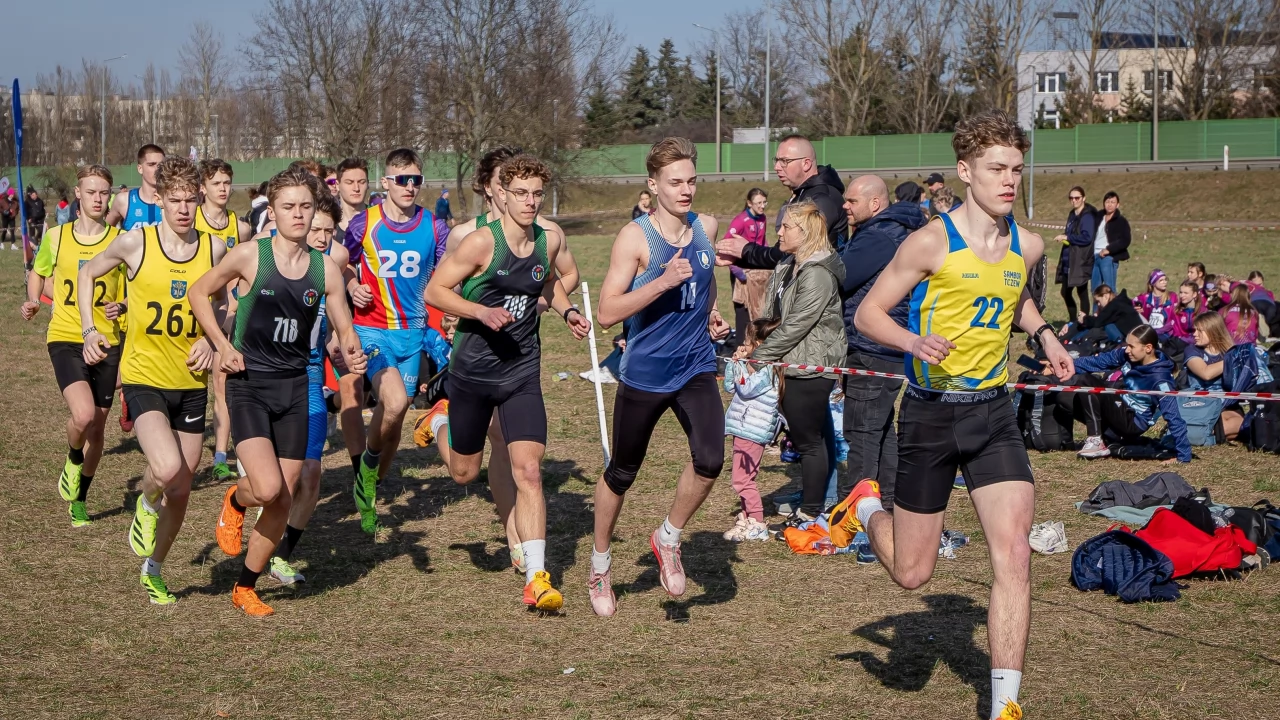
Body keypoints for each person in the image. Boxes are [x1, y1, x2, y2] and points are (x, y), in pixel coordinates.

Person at [839, 110, 1075, 720]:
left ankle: (1005, 704)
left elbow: (1014, 294)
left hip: (994, 413)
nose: (1009, 181)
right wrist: (911, 342)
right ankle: (866, 506)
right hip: (931, 415)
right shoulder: (929, 242)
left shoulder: (1028, 243)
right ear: (966, 171)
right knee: (913, 576)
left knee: (1015, 553)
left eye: (1017, 170)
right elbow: (868, 315)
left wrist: (1045, 334)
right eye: (997, 169)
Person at [191, 168, 366, 617]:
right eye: (288, 207)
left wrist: (352, 350)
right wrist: (222, 344)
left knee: (284, 495)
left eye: (305, 206)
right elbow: (198, 293)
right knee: (267, 488)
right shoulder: (250, 256)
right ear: (273, 211)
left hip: (295, 386)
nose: (298, 215)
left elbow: (344, 324)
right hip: (250, 384)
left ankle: (245, 586)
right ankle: (234, 499)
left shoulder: (325, 267)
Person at [425, 154, 589, 612]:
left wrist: (568, 311)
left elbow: (547, 284)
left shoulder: (548, 239)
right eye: (521, 193)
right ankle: (440, 422)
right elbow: (435, 291)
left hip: (520, 372)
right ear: (501, 194)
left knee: (529, 471)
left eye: (537, 193)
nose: (530, 202)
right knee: (465, 473)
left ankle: (537, 578)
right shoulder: (480, 244)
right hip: (472, 375)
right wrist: (479, 312)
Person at [78, 157, 229, 606]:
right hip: (143, 377)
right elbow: (88, 273)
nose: (184, 209)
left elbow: (224, 303)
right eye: (175, 200)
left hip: (190, 381)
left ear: (200, 199)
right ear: (159, 199)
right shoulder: (135, 243)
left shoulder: (214, 249)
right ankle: (144, 504)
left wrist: (212, 338)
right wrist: (89, 329)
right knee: (165, 471)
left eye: (191, 200)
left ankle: (155, 568)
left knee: (182, 488)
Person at [592, 137, 731, 617]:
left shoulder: (706, 227)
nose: (686, 190)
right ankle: (600, 563)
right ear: (653, 185)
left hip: (696, 364)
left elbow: (706, 282)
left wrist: (712, 313)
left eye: (692, 180)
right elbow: (608, 312)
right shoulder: (635, 237)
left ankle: (667, 538)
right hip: (647, 372)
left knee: (711, 459)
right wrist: (661, 282)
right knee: (622, 473)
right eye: (676, 182)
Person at [343, 148, 448, 534]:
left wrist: (449, 313)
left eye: (415, 180)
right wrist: (352, 284)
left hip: (413, 334)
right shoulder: (363, 224)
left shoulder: (434, 227)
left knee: (395, 420)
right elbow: (342, 261)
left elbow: (444, 273)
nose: (409, 187)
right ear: (384, 182)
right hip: (372, 331)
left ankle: (371, 484)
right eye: (401, 179)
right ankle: (367, 469)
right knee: (396, 400)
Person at [20, 164, 124, 527]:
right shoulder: (57, 237)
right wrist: (34, 299)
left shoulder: (120, 240)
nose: (98, 199)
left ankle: (80, 498)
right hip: (66, 334)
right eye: (92, 192)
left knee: (98, 428)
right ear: (78, 194)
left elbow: (134, 288)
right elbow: (38, 271)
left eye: (104, 193)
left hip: (108, 338)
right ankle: (73, 457)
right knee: (82, 416)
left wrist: (122, 305)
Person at [258, 189, 351, 585]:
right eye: (316, 228)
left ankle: (281, 554)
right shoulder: (266, 255)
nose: (321, 237)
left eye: (329, 231)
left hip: (310, 374)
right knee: (271, 482)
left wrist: (343, 352)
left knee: (309, 474)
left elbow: (331, 325)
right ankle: (243, 508)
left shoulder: (331, 269)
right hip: (264, 374)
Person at [753, 200, 846, 527]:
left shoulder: (818, 274)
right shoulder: (788, 266)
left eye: (786, 227)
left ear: (805, 233)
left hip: (811, 364)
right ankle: (815, 505)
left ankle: (810, 511)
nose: (778, 231)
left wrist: (759, 357)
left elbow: (797, 325)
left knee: (808, 441)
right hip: (792, 361)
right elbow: (771, 313)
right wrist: (757, 340)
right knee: (814, 438)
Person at [836, 174, 927, 509]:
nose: (845, 206)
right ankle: (889, 503)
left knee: (860, 433)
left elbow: (841, 276)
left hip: (873, 347)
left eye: (852, 201)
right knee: (882, 430)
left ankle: (855, 514)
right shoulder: (890, 231)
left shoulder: (879, 236)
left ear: (875, 203)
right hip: (886, 347)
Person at [195, 159, 254, 482]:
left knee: (221, 381)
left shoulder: (240, 227)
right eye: (216, 183)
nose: (223, 189)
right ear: (202, 187)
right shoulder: (191, 220)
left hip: (225, 312)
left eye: (227, 182)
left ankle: (220, 454)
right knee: (189, 382)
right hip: (190, 311)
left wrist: (233, 311)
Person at [715, 134, 848, 270]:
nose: (777, 167)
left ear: (806, 164)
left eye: (785, 161)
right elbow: (784, 258)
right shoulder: (804, 193)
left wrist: (746, 250)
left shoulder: (821, 199)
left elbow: (784, 253)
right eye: (776, 160)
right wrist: (737, 257)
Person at [1069, 325, 1191, 462]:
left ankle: (1096, 441)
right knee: (1067, 396)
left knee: (1086, 381)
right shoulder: (1128, 355)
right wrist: (1067, 365)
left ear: (1148, 348)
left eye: (1131, 346)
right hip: (1120, 408)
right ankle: (1084, 438)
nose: (1127, 350)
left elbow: (1174, 417)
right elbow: (1099, 361)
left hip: (1133, 422)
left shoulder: (1160, 380)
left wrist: (1183, 456)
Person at [722, 318, 783, 542]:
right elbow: (730, 386)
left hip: (752, 431)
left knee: (742, 480)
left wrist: (741, 364)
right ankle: (747, 517)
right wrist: (734, 363)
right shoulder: (752, 366)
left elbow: (746, 389)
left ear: (760, 344)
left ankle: (757, 522)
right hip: (743, 428)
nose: (744, 344)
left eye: (748, 340)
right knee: (745, 477)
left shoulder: (768, 369)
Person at [333, 157, 371, 472]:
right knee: (352, 388)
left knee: (374, 394)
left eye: (361, 182)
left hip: (374, 318)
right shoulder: (326, 225)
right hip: (334, 318)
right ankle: (360, 470)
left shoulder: (378, 221)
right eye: (350, 182)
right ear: (338, 185)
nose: (356, 188)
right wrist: (350, 281)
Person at [1184, 311, 1247, 441]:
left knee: (1241, 422)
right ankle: (1203, 432)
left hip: (1225, 405)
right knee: (1236, 426)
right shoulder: (1192, 350)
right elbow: (1206, 373)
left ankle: (1204, 431)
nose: (1194, 334)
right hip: (1200, 404)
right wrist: (1232, 361)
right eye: (1194, 330)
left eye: (1199, 330)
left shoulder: (1230, 352)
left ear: (1213, 330)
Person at [724, 188, 771, 343]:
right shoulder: (741, 220)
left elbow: (763, 242)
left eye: (764, 202)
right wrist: (737, 270)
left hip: (757, 274)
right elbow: (726, 243)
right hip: (742, 273)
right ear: (749, 203)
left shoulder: (762, 218)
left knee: (758, 310)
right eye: (759, 203)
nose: (763, 206)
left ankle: (755, 345)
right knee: (743, 311)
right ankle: (740, 347)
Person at [1053, 186, 1096, 323]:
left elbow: (1087, 238)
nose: (1074, 200)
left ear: (1083, 198)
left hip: (1080, 260)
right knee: (1065, 291)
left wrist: (1068, 238)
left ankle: (1083, 321)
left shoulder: (1087, 216)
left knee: (1081, 291)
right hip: (1069, 258)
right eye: (1071, 198)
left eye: (1077, 198)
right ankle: (1073, 321)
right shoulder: (1072, 214)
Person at [106, 144, 166, 230]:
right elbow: (105, 232)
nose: (157, 169)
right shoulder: (124, 200)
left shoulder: (173, 200)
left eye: (161, 165)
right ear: (140, 168)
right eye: (151, 164)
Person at [1065, 284, 1142, 346]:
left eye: (1098, 301)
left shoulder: (1114, 306)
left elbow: (1097, 323)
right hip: (1138, 337)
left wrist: (1084, 318)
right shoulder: (1120, 303)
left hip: (1136, 340)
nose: (1098, 304)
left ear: (1105, 296)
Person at [1091, 190, 1130, 293]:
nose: (1109, 205)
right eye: (1107, 202)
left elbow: (1125, 240)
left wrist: (1109, 250)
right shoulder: (1098, 217)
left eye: (1112, 202)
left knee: (1109, 289)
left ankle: (1114, 309)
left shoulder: (1121, 221)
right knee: (1095, 290)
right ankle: (1096, 310)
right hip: (1094, 256)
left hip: (1108, 257)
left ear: (1117, 205)